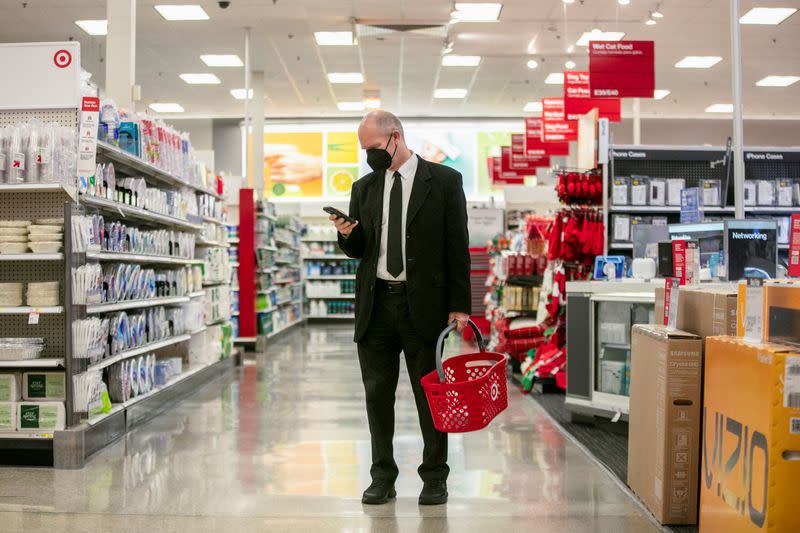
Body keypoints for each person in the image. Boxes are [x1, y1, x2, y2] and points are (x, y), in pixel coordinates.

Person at [329, 110, 471, 506]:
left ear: (395, 136)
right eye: (364, 150)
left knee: (431, 396)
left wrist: (460, 305)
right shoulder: (365, 187)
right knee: (377, 396)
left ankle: (435, 477)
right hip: (376, 307)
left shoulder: (443, 181)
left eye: (372, 148)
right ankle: (382, 476)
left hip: (423, 306)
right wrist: (346, 236)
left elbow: (457, 246)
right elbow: (361, 251)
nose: (368, 156)